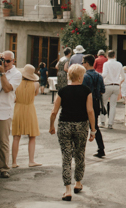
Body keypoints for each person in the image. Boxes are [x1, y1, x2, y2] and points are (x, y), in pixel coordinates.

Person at [49, 64, 97, 202]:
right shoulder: (86, 91)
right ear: (81, 76)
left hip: (64, 125)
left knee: (66, 156)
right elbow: (90, 111)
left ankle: (67, 190)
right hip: (81, 125)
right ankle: (78, 183)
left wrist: (51, 125)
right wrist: (93, 130)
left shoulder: (62, 91)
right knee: (79, 154)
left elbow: (54, 111)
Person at [12, 64, 41, 168]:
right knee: (32, 136)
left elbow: (14, 96)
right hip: (29, 108)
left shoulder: (17, 83)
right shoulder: (36, 84)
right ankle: (31, 161)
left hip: (18, 108)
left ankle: (14, 162)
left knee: (16, 136)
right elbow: (35, 94)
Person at [80, 55, 105, 158]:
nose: (82, 64)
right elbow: (103, 90)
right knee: (94, 126)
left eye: (83, 62)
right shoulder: (99, 76)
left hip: (86, 102)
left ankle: (79, 150)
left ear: (86, 63)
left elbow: (82, 91)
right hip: (96, 102)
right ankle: (101, 148)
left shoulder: (84, 76)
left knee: (82, 126)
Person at [101, 51, 123, 129]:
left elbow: (104, 74)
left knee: (103, 103)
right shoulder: (119, 64)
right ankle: (110, 123)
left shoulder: (106, 64)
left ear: (107, 56)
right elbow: (123, 77)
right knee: (113, 105)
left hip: (107, 85)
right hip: (116, 85)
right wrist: (119, 82)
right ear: (114, 55)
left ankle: (102, 121)